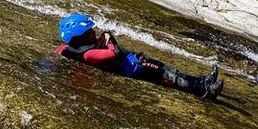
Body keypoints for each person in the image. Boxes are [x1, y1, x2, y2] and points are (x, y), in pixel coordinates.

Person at [57, 13, 224, 100]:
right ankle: (206, 90)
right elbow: (113, 54)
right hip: (134, 67)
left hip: (133, 60)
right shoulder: (88, 54)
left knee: (171, 70)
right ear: (80, 36)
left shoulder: (75, 48)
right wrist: (109, 38)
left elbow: (62, 49)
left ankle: (203, 81)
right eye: (90, 32)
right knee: (169, 74)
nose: (94, 32)